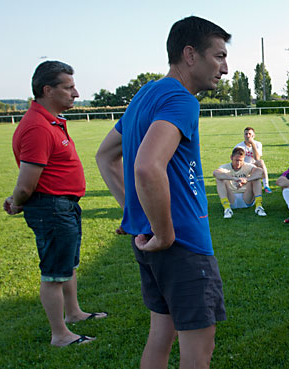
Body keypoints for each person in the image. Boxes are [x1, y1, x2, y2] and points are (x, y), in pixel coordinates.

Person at [95, 16, 228, 368]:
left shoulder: (145, 94)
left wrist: (137, 216)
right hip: (182, 246)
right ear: (190, 54)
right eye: (218, 56)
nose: (225, 68)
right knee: (199, 353)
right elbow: (146, 166)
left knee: (160, 337)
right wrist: (165, 233)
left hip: (150, 242)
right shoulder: (183, 100)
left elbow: (105, 156)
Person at [3, 61, 106, 347]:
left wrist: (20, 199)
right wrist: (18, 200)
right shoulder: (37, 127)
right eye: (68, 87)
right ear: (48, 90)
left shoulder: (50, 121)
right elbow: (26, 183)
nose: (76, 93)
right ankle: (60, 335)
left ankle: (73, 314)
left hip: (63, 207)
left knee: (67, 266)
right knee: (53, 274)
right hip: (52, 209)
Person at [212, 147, 266, 218]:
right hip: (231, 198)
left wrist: (246, 179)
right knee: (219, 179)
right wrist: (234, 178)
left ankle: (259, 206)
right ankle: (227, 208)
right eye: (236, 160)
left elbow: (261, 172)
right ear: (231, 157)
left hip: (247, 198)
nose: (238, 163)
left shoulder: (247, 166)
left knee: (256, 178)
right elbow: (215, 173)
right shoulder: (226, 167)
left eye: (241, 161)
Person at [235, 127, 272, 193]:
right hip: (244, 167)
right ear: (244, 135)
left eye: (249, 134)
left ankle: (266, 186)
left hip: (254, 166)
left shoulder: (258, 144)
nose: (248, 136)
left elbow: (257, 158)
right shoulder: (239, 146)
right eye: (246, 134)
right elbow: (236, 162)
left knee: (261, 162)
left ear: (253, 136)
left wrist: (253, 144)